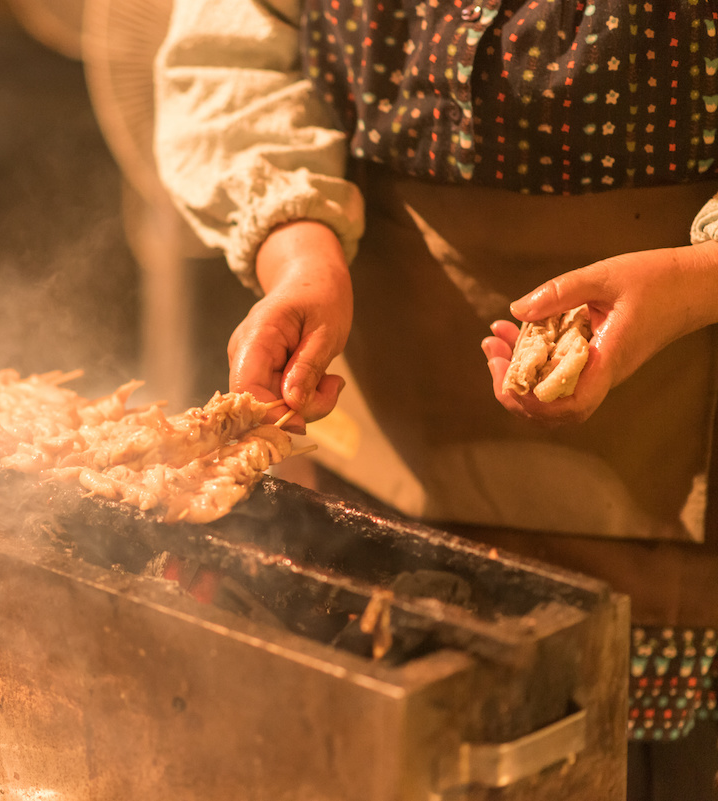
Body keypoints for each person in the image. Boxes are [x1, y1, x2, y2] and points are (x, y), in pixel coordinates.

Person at [154, 1, 718, 798]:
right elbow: (241, 47)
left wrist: (698, 284)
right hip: (382, 453)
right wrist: (299, 254)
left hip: (673, 475)